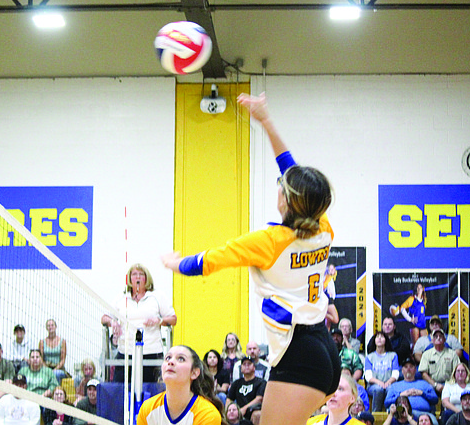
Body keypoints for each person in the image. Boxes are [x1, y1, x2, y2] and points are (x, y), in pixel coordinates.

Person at [163, 92, 340, 425]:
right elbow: (294, 175)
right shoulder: (323, 225)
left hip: (299, 354)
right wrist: (266, 121)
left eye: (281, 187)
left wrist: (173, 263)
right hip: (322, 348)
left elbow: (206, 262)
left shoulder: (269, 242)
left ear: (286, 201)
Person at [101, 263, 177, 383]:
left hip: (151, 351)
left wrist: (159, 321)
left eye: (141, 274)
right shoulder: (121, 298)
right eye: (134, 274)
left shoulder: (156, 296)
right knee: (120, 388)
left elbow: (173, 319)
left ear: (146, 278)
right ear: (129, 278)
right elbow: (104, 318)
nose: (137, 277)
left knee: (149, 389)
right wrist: (113, 321)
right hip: (126, 351)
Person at [137, 345, 224, 425]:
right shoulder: (147, 410)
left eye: (181, 359)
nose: (171, 362)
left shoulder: (207, 415)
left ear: (194, 373)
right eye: (168, 358)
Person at [385, 357, 438, 423]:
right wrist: (401, 395)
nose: (408, 369)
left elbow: (435, 399)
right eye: (406, 367)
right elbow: (386, 403)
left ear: (415, 369)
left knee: (434, 422)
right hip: (401, 415)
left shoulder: (424, 384)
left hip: (423, 414)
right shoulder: (394, 386)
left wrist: (422, 393)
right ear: (402, 370)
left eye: (411, 366)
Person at [364, 331, 399, 412]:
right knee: (378, 389)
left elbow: (395, 374)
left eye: (382, 337)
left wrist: (387, 382)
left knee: (391, 389)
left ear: (386, 340)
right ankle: (376, 413)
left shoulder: (393, 355)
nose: (379, 339)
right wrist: (380, 383)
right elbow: (368, 376)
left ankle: (391, 412)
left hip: (389, 383)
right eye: (377, 337)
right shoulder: (369, 357)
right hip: (373, 385)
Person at [419, 329, 460, 396]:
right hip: (432, 384)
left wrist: (449, 385)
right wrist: (435, 385)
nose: (438, 338)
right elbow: (424, 374)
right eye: (436, 336)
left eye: (440, 336)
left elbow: (457, 372)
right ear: (432, 340)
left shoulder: (452, 354)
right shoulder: (426, 354)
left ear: (444, 339)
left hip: (449, 384)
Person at [226, 357, 266, 424]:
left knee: (257, 415)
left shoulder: (261, 382)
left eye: (249, 364)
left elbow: (259, 399)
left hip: (254, 410)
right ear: (241, 368)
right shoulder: (236, 383)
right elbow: (229, 399)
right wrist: (228, 411)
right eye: (244, 364)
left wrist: (243, 409)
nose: (246, 366)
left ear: (254, 367)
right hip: (238, 413)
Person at [39, 319, 68, 384]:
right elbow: (41, 359)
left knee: (56, 374)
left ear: (56, 327)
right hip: (46, 368)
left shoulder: (62, 341)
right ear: (46, 328)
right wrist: (48, 370)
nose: (50, 327)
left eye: (52, 325)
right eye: (48, 326)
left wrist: (55, 369)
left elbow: (63, 360)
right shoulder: (42, 342)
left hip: (58, 368)